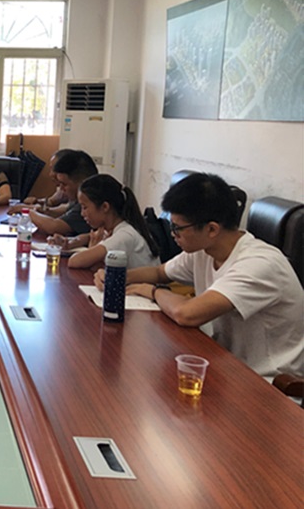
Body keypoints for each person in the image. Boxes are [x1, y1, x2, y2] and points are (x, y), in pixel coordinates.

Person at [95, 173, 304, 378]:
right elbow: (159, 272)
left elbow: (187, 313)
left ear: (211, 229)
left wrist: (152, 291)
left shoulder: (258, 264)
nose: (172, 234)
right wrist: (115, 276)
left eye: (177, 228)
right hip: (226, 366)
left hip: (268, 383)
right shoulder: (205, 249)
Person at [54, 173, 160, 269]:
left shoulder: (124, 235)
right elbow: (89, 238)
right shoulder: (113, 229)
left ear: (105, 207)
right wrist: (69, 242)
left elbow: (74, 261)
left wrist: (92, 248)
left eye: (85, 207)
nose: (82, 213)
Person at [28, 149, 97, 237]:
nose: (61, 188)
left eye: (64, 184)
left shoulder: (89, 204)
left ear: (82, 183)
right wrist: (42, 210)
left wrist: (28, 212)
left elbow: (53, 227)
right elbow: (64, 211)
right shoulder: (77, 200)